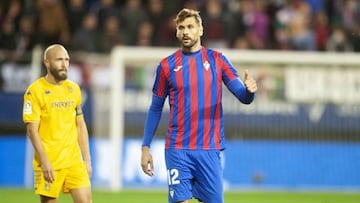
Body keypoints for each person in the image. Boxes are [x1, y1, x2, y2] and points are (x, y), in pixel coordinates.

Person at [140, 8, 257, 203]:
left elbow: (242, 96)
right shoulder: (166, 66)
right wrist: (145, 147)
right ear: (177, 32)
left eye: (190, 27)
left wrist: (250, 92)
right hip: (177, 149)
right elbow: (155, 108)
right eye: (181, 27)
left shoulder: (217, 60)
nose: (185, 31)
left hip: (209, 149)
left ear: (201, 30)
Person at [22, 44, 92, 203]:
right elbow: (32, 131)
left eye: (66, 60)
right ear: (47, 62)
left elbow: (80, 125)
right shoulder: (35, 91)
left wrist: (87, 159)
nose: (64, 64)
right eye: (59, 60)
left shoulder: (74, 89)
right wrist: (45, 161)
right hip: (49, 161)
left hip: (74, 160)